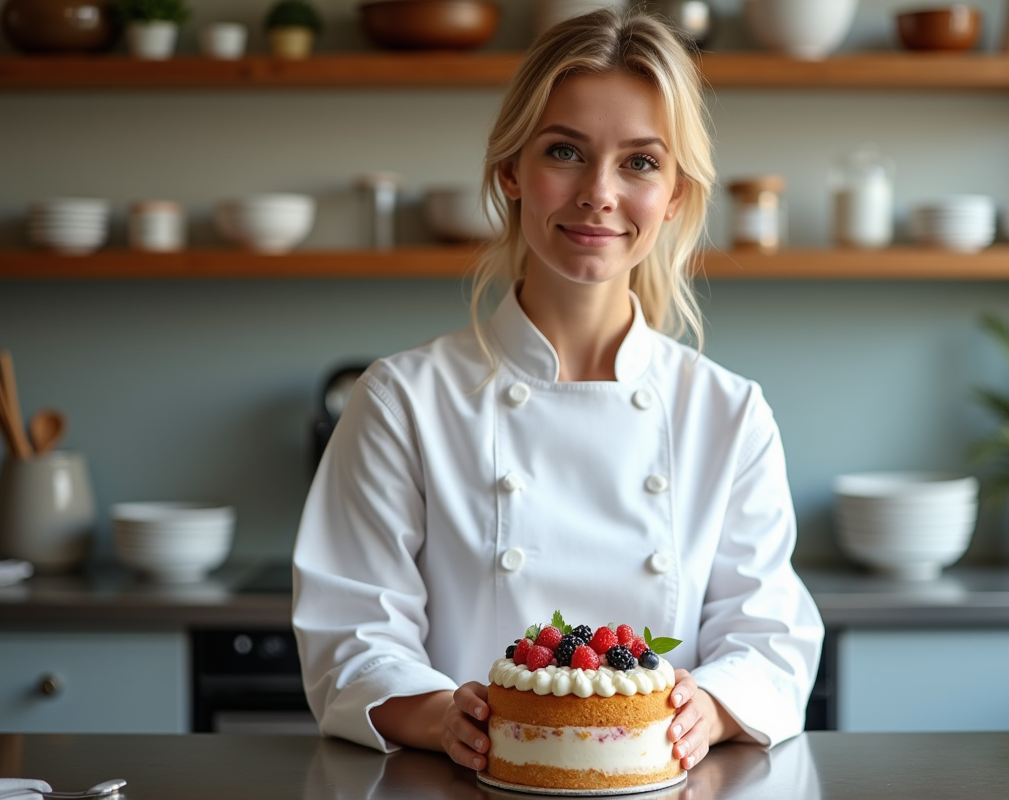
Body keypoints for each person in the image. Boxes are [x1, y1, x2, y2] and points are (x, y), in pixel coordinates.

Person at [292, 9, 824, 774]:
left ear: (674, 194)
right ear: (510, 171)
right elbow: (350, 637)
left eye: (640, 163)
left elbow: (769, 637)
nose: (599, 193)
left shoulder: (728, 413)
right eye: (566, 152)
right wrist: (445, 714)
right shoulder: (401, 401)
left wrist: (707, 707)